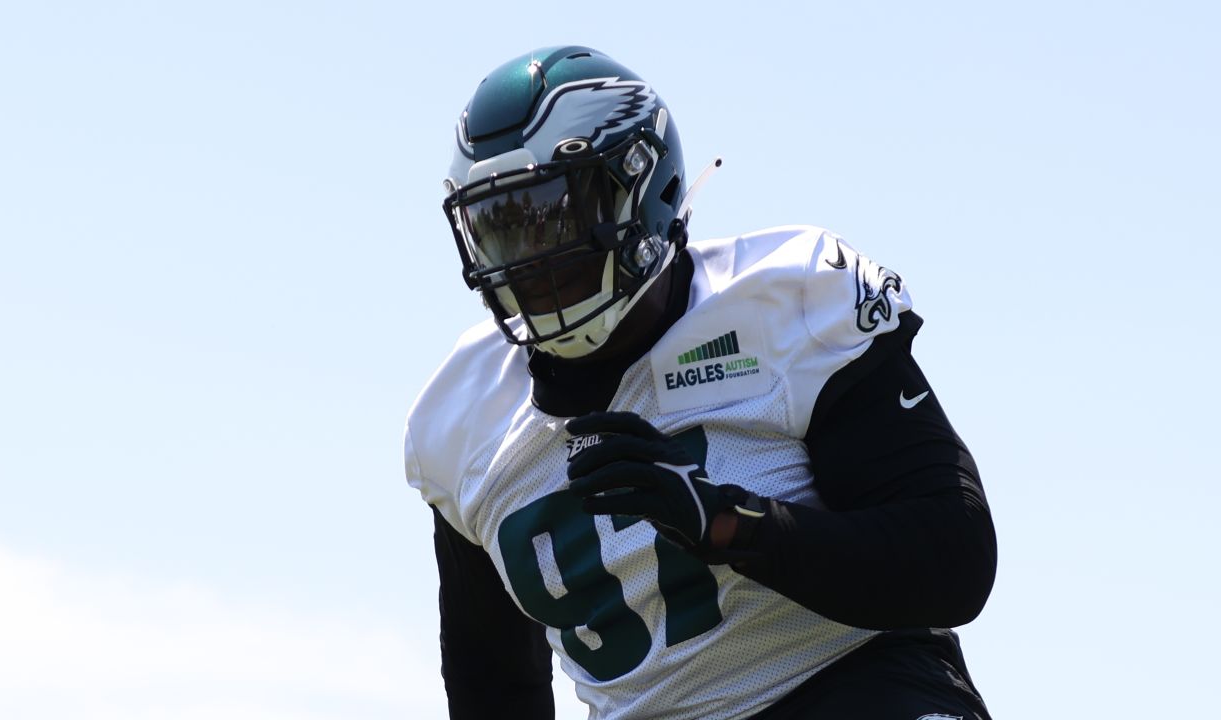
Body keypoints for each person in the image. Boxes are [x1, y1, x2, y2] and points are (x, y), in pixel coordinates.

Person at [404, 45, 996, 720]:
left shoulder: (792, 302)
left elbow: (954, 558)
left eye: (553, 214)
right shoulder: (460, 419)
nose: (532, 260)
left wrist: (730, 525)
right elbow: (494, 688)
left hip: (851, 687)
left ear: (641, 190)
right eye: (501, 229)